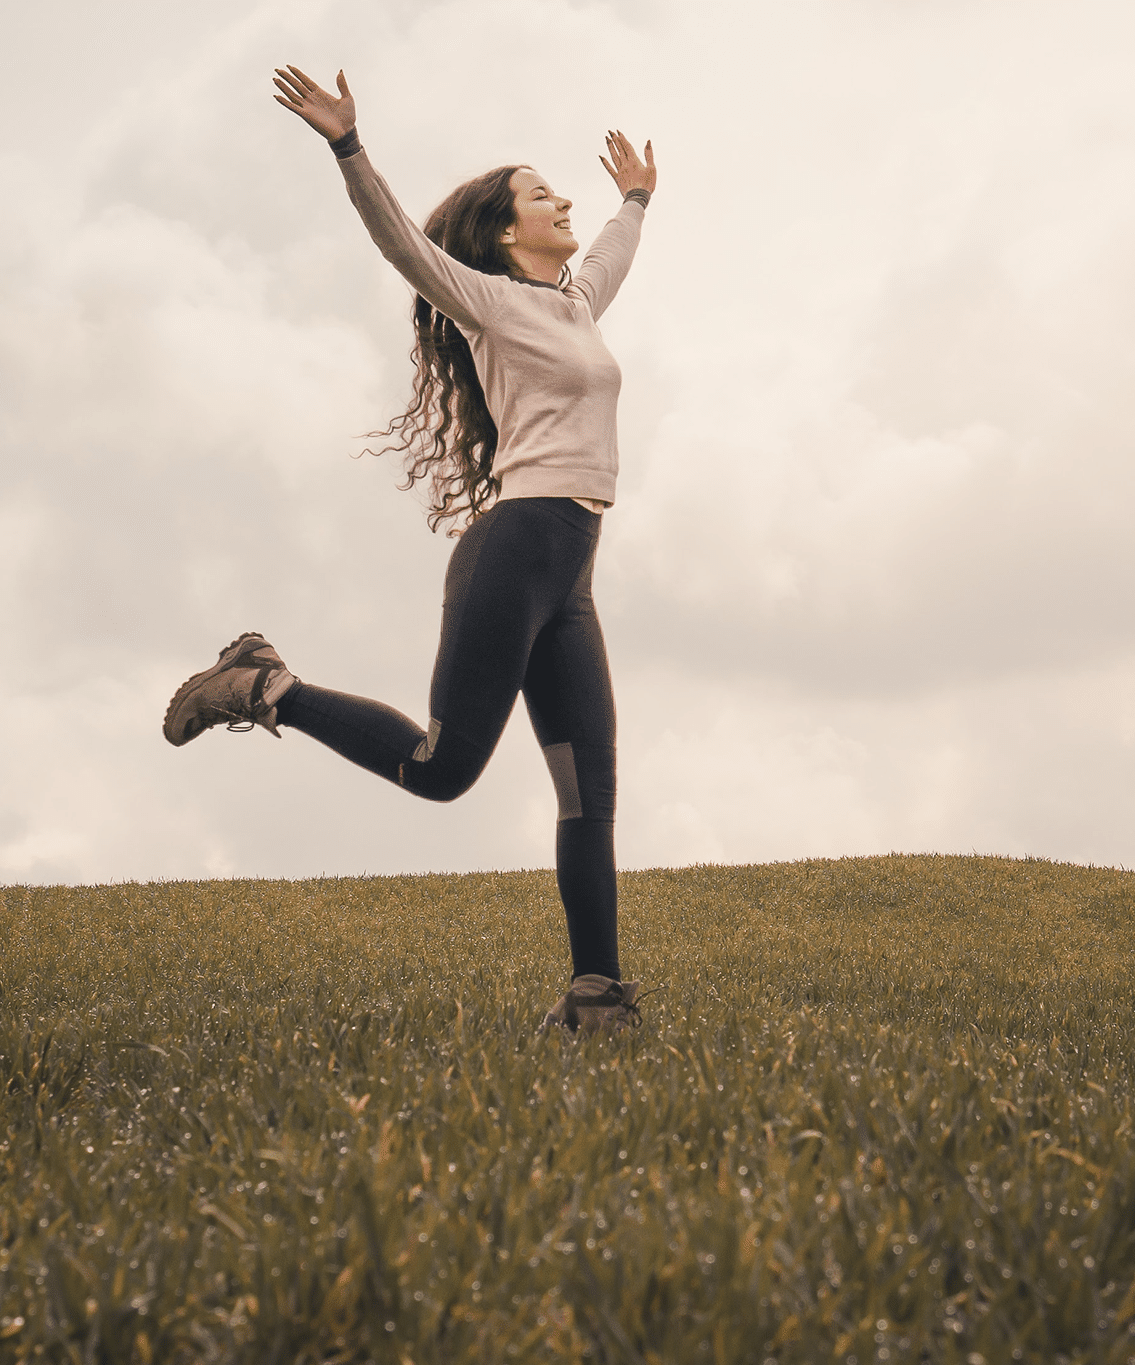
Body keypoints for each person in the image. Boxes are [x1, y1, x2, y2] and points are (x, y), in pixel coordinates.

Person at [162, 64, 658, 1036]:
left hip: (570, 571)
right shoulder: (486, 301)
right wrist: (348, 146)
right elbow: (398, 242)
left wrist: (634, 198)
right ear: (506, 230)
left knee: (586, 791)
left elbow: (611, 253)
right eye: (539, 192)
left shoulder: (570, 308)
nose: (562, 199)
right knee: (440, 770)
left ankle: (595, 1001)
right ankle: (263, 686)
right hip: (517, 550)